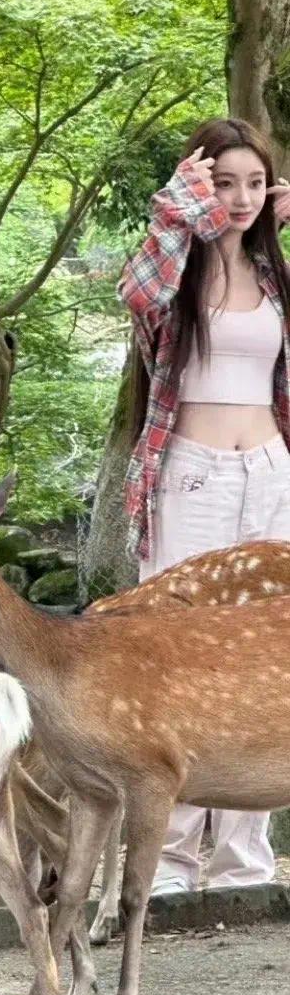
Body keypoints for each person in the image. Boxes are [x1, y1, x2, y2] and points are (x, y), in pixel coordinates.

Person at [119, 116, 290, 895]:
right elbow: (137, 291)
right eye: (225, 181)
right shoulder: (176, 270)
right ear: (196, 181)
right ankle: (170, 858)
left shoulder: (276, 275)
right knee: (174, 654)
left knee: (267, 654)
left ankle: (244, 864)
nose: (242, 197)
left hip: (269, 471)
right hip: (190, 472)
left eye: (256, 183)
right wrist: (180, 211)